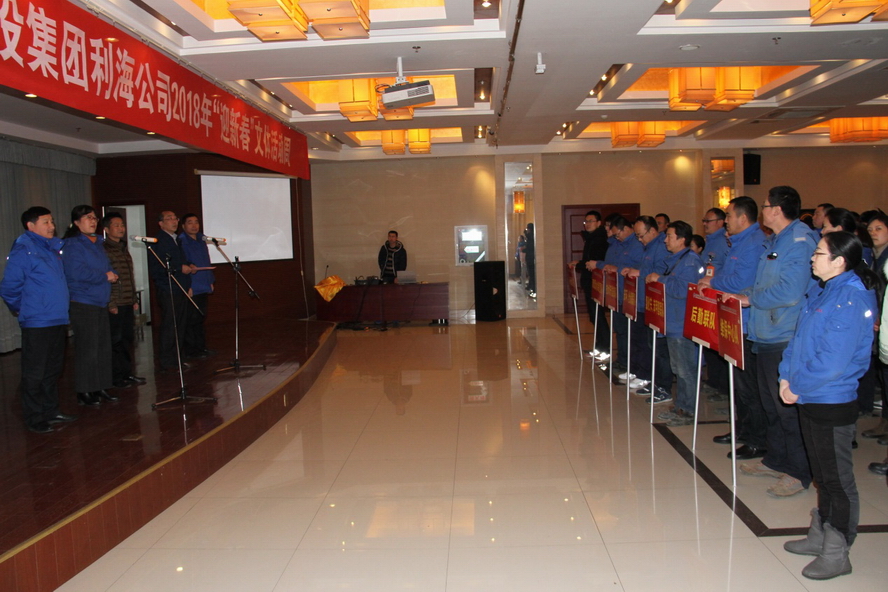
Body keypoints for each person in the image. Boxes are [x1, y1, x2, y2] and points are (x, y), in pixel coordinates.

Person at [780, 231, 877, 580]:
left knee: (837, 480)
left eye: (819, 253)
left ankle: (838, 551)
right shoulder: (823, 289)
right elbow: (798, 340)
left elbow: (833, 362)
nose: (812, 258)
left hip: (831, 399)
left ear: (839, 261)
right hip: (809, 395)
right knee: (822, 475)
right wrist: (785, 376)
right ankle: (820, 534)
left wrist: (796, 386)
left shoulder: (851, 297)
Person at [738, 186, 818, 498]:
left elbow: (790, 291)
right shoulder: (776, 240)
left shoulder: (799, 241)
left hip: (784, 333)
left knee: (786, 407)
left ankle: (798, 472)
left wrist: (751, 299)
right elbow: (763, 282)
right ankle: (776, 459)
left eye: (765, 205)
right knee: (770, 403)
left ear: (777, 210)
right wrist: (744, 294)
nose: (763, 211)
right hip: (766, 331)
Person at [698, 196, 768, 460]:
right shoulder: (738, 241)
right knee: (738, 383)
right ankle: (743, 429)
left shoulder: (754, 243)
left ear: (743, 218)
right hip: (733, 320)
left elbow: (740, 282)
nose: (725, 220)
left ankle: (757, 439)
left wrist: (713, 282)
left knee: (749, 386)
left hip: (747, 323)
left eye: (728, 216)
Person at [0, 207, 76, 433]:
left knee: (53, 369)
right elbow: (9, 287)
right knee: (35, 372)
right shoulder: (24, 250)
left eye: (52, 221)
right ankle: (34, 417)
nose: (52, 226)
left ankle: (51, 410)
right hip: (37, 321)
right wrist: (20, 308)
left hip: (57, 318)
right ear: (30, 226)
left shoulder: (51, 247)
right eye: (46, 222)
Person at [645, 221, 705, 424]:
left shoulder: (689, 262)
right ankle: (681, 405)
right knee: (679, 368)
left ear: (681, 240)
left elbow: (683, 290)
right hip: (673, 322)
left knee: (685, 369)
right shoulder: (678, 260)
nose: (665, 240)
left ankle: (687, 410)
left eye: (669, 236)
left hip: (682, 324)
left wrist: (660, 279)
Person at [61, 205, 119, 405]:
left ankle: (101, 386)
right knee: (88, 349)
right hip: (83, 302)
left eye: (94, 218)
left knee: (102, 348)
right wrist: (104, 276)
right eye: (88, 218)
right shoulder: (72, 245)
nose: (93, 221)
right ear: (76, 222)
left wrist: (111, 273)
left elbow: (107, 266)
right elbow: (76, 273)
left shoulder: (97, 242)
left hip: (100, 301)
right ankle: (85, 390)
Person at [622, 215, 672, 398]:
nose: (639, 239)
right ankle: (647, 376)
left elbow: (661, 271)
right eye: (637, 236)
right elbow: (644, 266)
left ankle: (657, 382)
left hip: (655, 303)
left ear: (652, 231)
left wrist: (640, 272)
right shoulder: (648, 247)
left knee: (656, 348)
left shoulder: (661, 247)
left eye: (641, 235)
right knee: (643, 342)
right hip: (643, 301)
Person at [102, 212, 146, 389]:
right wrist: (111, 303)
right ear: (106, 229)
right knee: (116, 341)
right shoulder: (104, 249)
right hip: (115, 303)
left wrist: (134, 298)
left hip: (127, 300)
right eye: (116, 225)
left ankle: (127, 373)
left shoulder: (122, 248)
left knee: (127, 339)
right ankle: (116, 377)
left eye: (122, 225)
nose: (121, 228)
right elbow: (106, 278)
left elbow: (129, 276)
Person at [148, 211, 195, 372]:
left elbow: (180, 261)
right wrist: (179, 268)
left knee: (180, 325)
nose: (174, 221)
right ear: (160, 223)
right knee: (170, 325)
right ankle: (168, 360)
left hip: (180, 287)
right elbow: (158, 267)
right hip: (168, 288)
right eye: (169, 219)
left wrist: (188, 277)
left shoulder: (176, 239)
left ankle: (178, 358)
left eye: (175, 218)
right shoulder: (159, 241)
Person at [569, 210, 610, 359]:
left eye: (591, 221)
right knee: (594, 316)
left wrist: (581, 264)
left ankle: (604, 348)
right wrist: (579, 263)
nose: (588, 224)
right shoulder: (591, 237)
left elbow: (596, 261)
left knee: (598, 315)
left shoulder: (600, 239)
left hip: (596, 282)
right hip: (589, 281)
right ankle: (599, 346)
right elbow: (588, 259)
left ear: (599, 223)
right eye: (586, 221)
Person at [179, 213, 216, 360]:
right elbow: (183, 264)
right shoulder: (182, 241)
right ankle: (191, 350)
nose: (194, 225)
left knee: (200, 317)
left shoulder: (202, 239)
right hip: (192, 285)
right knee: (191, 319)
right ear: (183, 226)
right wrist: (187, 285)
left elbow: (206, 261)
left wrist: (210, 281)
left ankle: (201, 347)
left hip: (203, 284)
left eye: (196, 222)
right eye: (190, 222)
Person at [523, 223, 536, 297]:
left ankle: (533, 289)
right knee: (531, 274)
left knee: (532, 274)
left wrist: (524, 250)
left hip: (531, 258)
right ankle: (531, 287)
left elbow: (530, 247)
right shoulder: (531, 237)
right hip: (530, 258)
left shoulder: (531, 237)